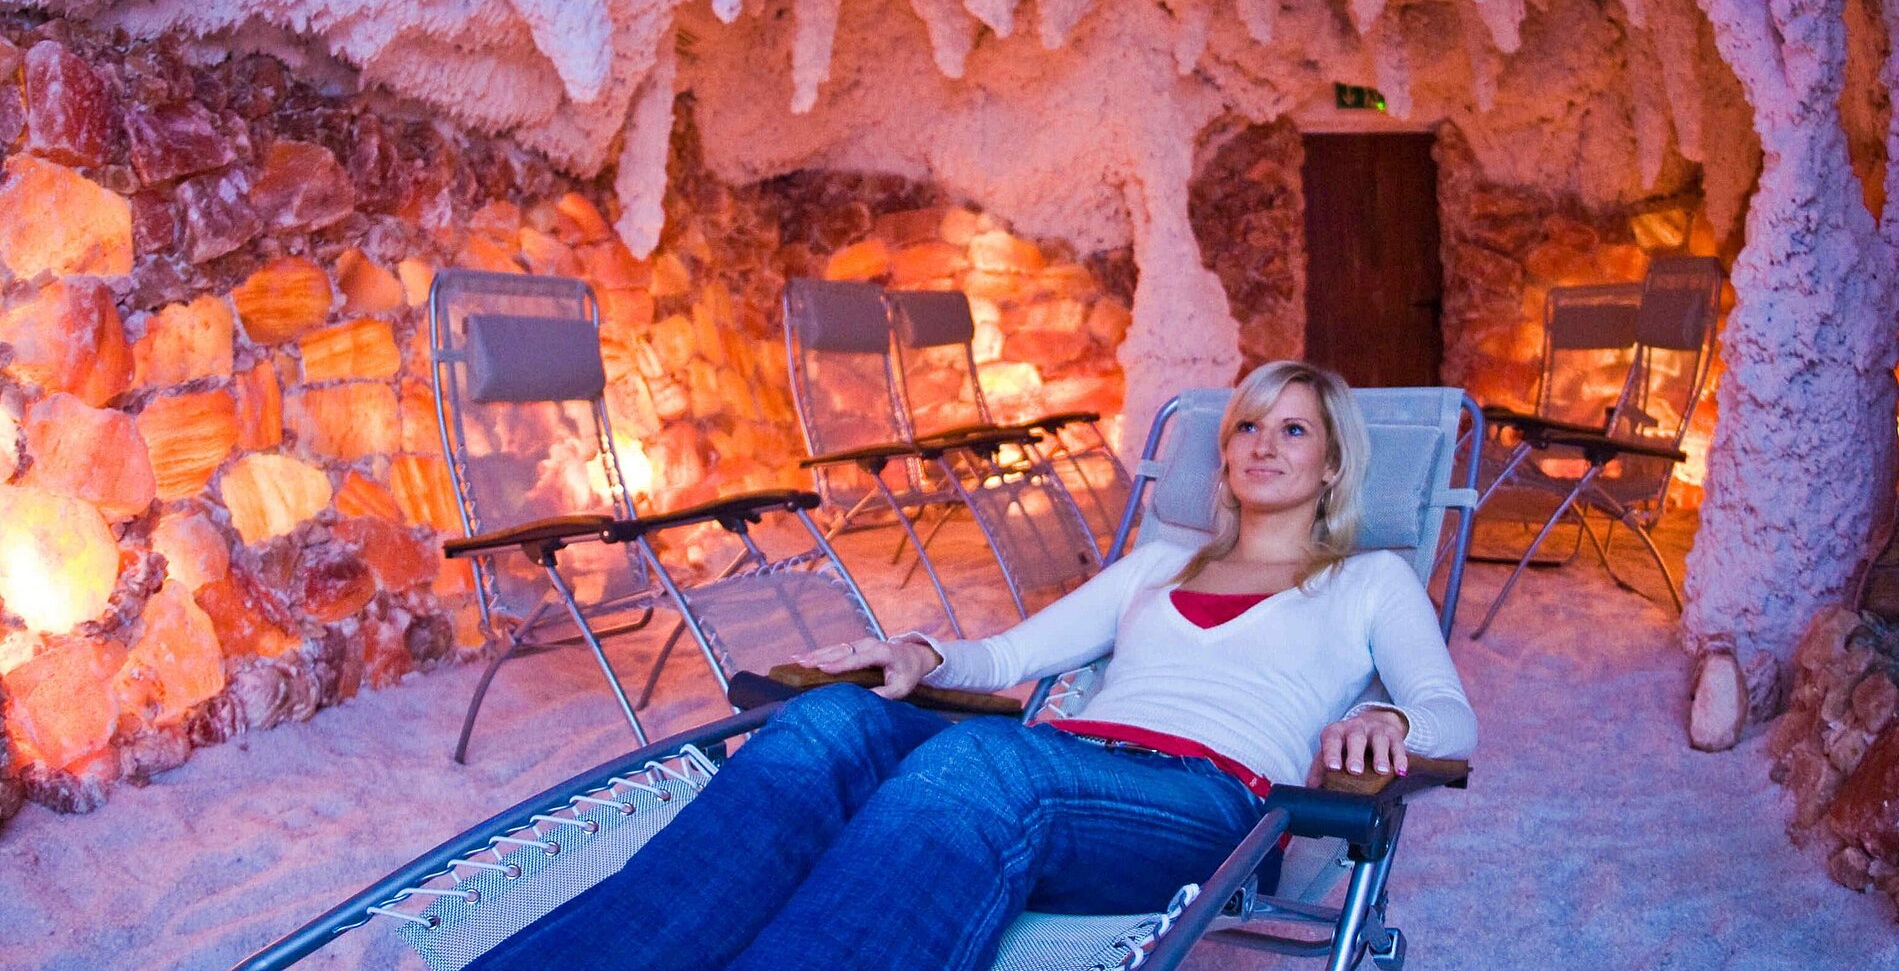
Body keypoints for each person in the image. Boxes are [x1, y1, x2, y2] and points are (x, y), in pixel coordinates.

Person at [471, 361, 1475, 971]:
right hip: (1064, 769)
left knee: (987, 761)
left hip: (1206, 801)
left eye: (1292, 428)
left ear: (1333, 462)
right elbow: (1011, 652)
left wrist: (1397, 723)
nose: (1262, 443)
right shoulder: (1163, 560)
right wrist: (918, 652)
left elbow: (1448, 717)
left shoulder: (1369, 578)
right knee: (826, 725)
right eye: (1247, 425)